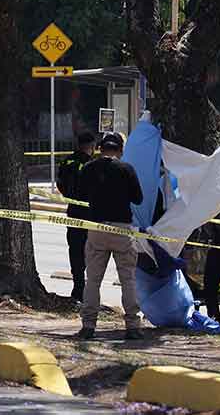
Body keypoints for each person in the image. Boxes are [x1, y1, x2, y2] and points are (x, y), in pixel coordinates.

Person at [76, 132, 144, 340]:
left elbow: (79, 193)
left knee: (93, 280)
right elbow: (138, 199)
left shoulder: (89, 168)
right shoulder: (126, 169)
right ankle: (133, 326)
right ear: (120, 150)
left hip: (97, 228)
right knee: (128, 280)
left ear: (100, 148)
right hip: (122, 229)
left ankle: (88, 326)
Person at [57, 132, 96, 302]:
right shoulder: (92, 165)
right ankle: (89, 290)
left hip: (73, 210)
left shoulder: (67, 161)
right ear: (92, 146)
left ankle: (78, 287)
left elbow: (60, 184)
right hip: (90, 213)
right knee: (92, 252)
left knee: (75, 250)